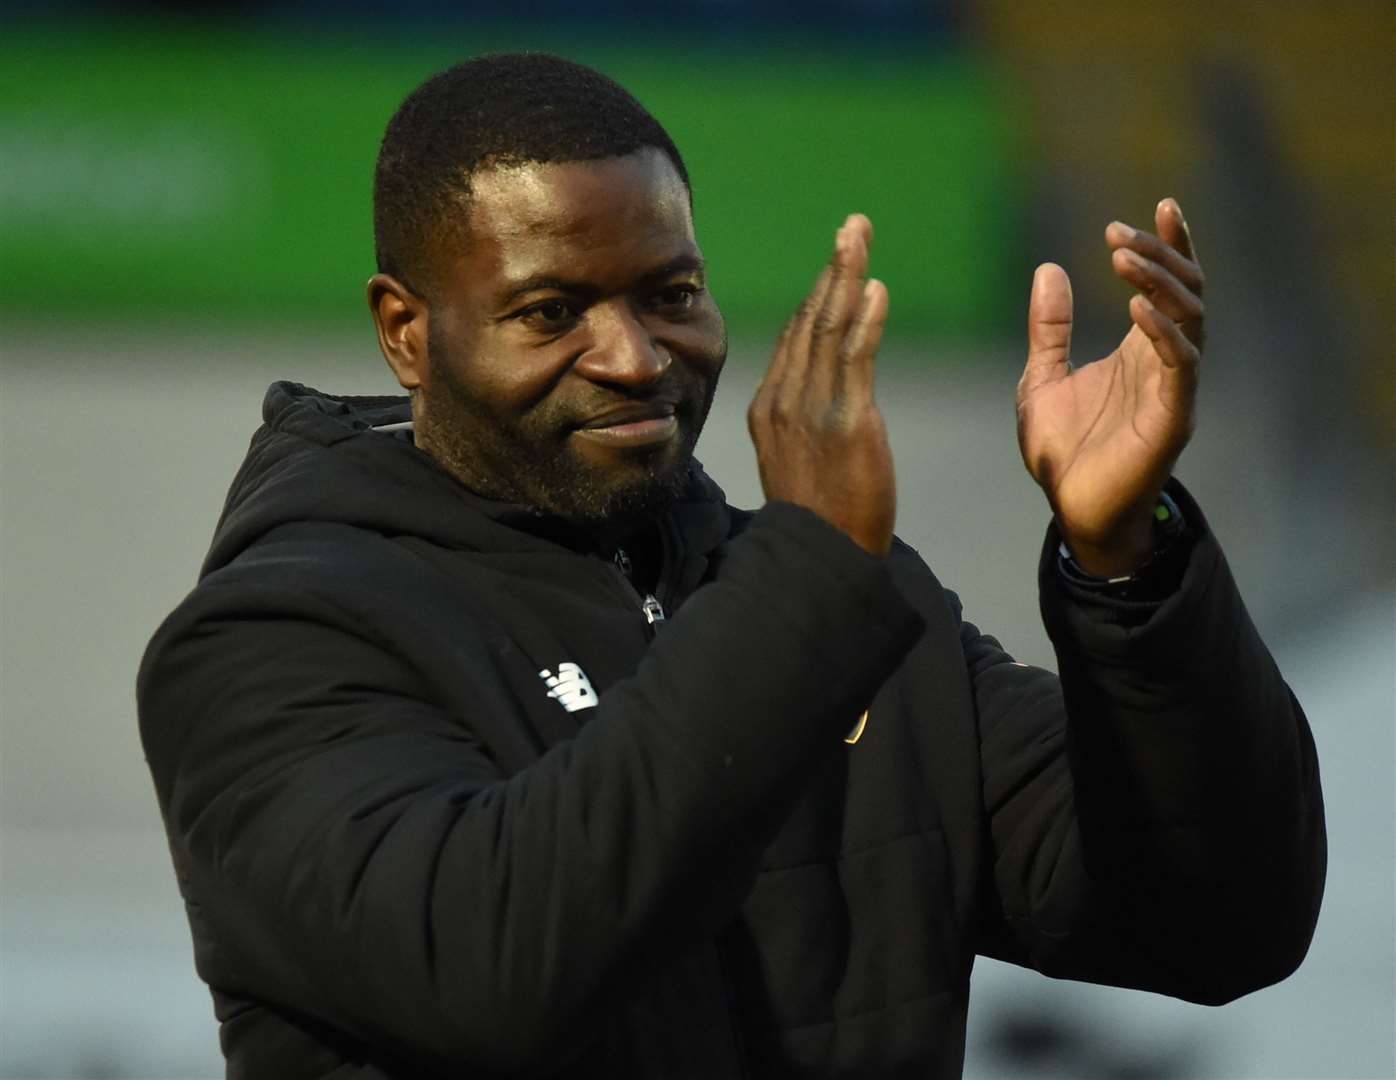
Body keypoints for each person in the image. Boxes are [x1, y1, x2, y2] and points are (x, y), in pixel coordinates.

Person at [137, 53, 1325, 1079]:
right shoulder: (271, 642)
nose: (635, 357)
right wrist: (806, 580)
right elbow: (494, 975)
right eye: (550, 312)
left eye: (673, 295)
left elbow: (1224, 921)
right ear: (407, 330)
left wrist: (1127, 566)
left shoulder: (860, 613)